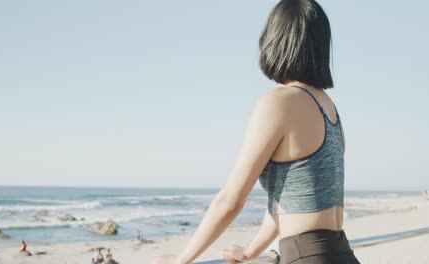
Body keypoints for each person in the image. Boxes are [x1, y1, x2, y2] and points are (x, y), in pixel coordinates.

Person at [150, 0, 361, 263]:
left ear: (276, 39)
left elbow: (230, 199)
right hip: (342, 253)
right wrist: (251, 251)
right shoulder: (330, 109)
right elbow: (291, 199)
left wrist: (181, 260)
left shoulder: (280, 102)